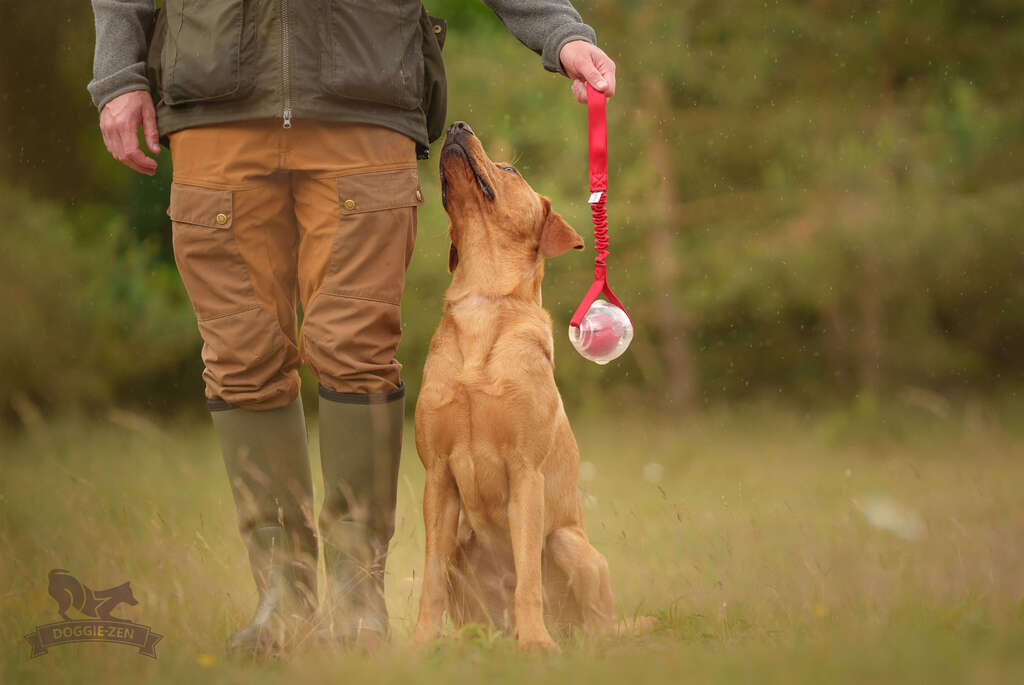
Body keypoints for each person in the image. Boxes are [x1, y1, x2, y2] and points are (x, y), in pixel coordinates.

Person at [88, 0, 616, 656]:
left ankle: (355, 594)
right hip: (211, 100)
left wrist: (559, 30)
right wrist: (117, 70)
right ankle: (283, 594)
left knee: (356, 352)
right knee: (240, 357)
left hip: (365, 97)